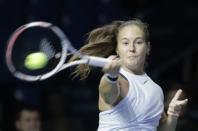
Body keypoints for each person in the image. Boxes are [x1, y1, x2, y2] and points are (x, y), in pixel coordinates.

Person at [69, 19, 188, 131]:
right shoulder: (117, 79)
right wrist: (111, 77)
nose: (132, 48)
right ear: (117, 49)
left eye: (138, 42)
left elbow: (162, 128)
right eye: (125, 43)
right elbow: (108, 95)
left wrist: (173, 115)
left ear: (148, 48)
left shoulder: (156, 90)